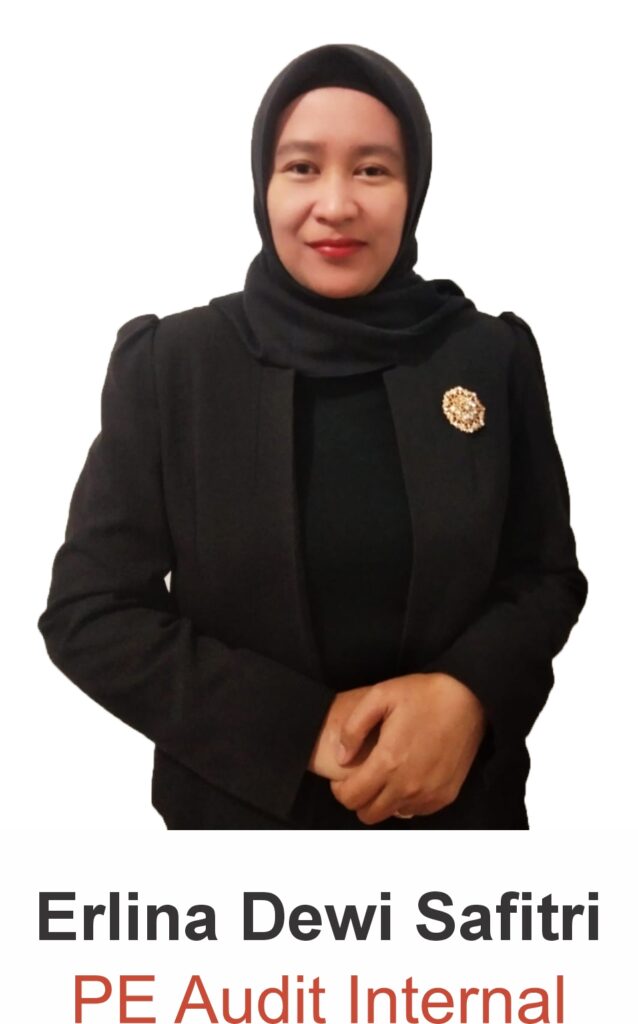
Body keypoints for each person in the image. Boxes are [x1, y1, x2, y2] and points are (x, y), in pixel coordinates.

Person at [37, 43, 587, 829]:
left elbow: (545, 575)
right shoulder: (174, 365)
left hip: (463, 834)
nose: (336, 204)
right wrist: (304, 729)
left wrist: (469, 694)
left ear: (415, 189)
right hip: (236, 850)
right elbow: (91, 612)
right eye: (301, 168)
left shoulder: (486, 355)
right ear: (263, 185)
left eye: (372, 170)